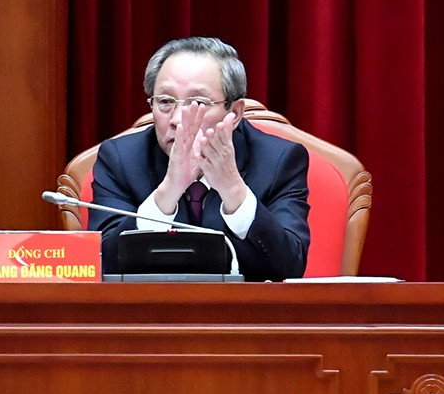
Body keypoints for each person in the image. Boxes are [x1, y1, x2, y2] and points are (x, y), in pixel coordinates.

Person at [90, 36, 309, 281]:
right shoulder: (120, 160)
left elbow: (290, 268)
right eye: (165, 102)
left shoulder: (279, 161)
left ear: (235, 113)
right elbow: (99, 265)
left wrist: (234, 191)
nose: (177, 120)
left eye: (197, 103)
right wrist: (168, 192)